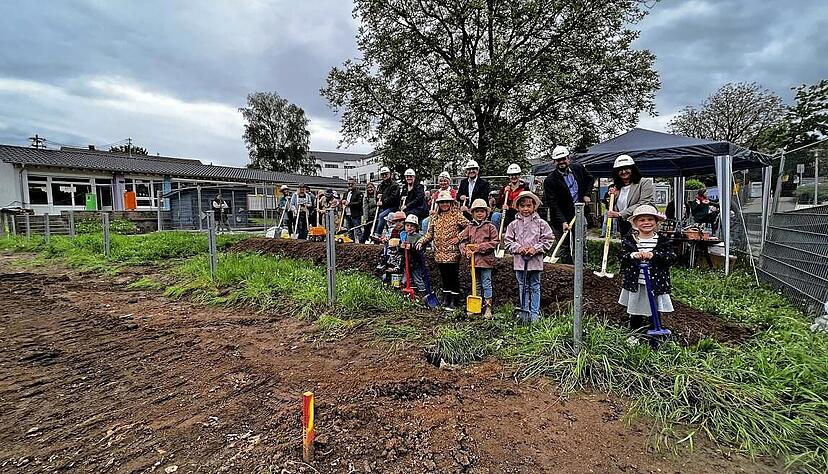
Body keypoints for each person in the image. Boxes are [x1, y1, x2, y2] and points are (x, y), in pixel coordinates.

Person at [617, 205, 677, 346]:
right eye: (642, 220)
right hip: (637, 282)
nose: (646, 222)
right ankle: (634, 335)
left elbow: (671, 257)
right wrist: (633, 255)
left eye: (650, 219)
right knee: (635, 310)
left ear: (656, 222)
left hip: (656, 283)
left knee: (654, 310)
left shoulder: (662, 241)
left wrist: (654, 254)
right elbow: (622, 256)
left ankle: (654, 335)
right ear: (636, 223)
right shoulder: (630, 240)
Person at [504, 191, 555, 324]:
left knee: (535, 286)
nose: (525, 209)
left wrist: (535, 249)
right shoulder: (513, 224)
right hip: (520, 262)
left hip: (535, 261)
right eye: (522, 206)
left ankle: (535, 314)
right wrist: (519, 248)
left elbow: (548, 239)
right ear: (518, 207)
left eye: (528, 206)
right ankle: (524, 312)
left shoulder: (541, 223)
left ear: (534, 207)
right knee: (523, 286)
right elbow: (508, 241)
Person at [416, 190, 469, 310]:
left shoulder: (456, 215)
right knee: (444, 276)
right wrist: (421, 241)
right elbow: (430, 234)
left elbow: (469, 226)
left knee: (453, 276)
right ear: (438, 203)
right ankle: (446, 298)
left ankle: (455, 300)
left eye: (446, 202)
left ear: (450, 203)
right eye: (442, 202)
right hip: (439, 252)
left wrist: (459, 237)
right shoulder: (435, 217)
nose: (444, 204)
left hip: (452, 252)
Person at [542, 145, 594, 264]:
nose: (561, 162)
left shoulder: (578, 168)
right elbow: (553, 203)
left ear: (568, 158)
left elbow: (590, 179)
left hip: (579, 214)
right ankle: (568, 272)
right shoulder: (550, 180)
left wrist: (587, 194)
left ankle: (582, 270)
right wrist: (563, 221)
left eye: (563, 159)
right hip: (561, 217)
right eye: (558, 160)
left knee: (581, 245)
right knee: (565, 246)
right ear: (554, 162)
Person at [458, 199, 499, 318]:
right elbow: (462, 240)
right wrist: (466, 251)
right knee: (476, 284)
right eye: (477, 211)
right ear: (473, 213)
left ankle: (488, 307)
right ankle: (477, 306)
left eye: (482, 211)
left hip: (486, 261)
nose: (479, 214)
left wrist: (479, 247)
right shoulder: (470, 227)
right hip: (473, 262)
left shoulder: (490, 227)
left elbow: (495, 242)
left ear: (486, 213)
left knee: (486, 283)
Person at [607, 155, 654, 237]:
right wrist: (612, 198)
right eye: (620, 170)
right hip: (623, 224)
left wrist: (620, 214)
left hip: (641, 224)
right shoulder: (617, 187)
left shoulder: (644, 183)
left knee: (641, 248)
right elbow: (613, 208)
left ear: (633, 169)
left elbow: (644, 203)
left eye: (626, 168)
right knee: (627, 247)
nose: (623, 172)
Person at [400, 214, 426, 295]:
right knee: (405, 279)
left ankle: (423, 293)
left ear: (415, 227)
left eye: (412, 226)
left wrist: (411, 247)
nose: (409, 227)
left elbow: (421, 249)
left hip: (415, 262)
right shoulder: (403, 235)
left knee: (417, 279)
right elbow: (400, 249)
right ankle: (408, 292)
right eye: (407, 225)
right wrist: (400, 247)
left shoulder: (418, 237)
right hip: (406, 261)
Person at [496, 163, 527, 231]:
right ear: (509, 176)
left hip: (520, 213)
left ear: (519, 175)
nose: (513, 177)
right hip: (506, 214)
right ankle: (495, 237)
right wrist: (503, 194)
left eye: (516, 174)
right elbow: (498, 204)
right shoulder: (505, 188)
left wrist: (511, 208)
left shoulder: (524, 188)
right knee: (496, 216)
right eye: (511, 175)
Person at [374, 167, 401, 237]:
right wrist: (377, 200)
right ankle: (387, 237)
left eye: (386, 174)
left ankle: (378, 234)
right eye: (383, 174)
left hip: (393, 207)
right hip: (383, 207)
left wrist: (383, 201)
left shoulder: (395, 185)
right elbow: (377, 196)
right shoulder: (380, 186)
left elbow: (393, 197)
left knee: (382, 216)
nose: (384, 176)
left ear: (390, 174)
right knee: (385, 222)